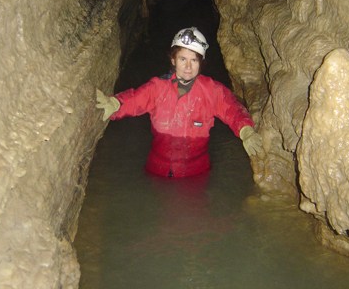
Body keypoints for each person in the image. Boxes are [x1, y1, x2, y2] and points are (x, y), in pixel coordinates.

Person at [96, 27, 263, 178]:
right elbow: (135, 99)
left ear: (201, 63)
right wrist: (116, 104)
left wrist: (245, 130)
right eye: (183, 59)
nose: (188, 67)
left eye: (194, 60)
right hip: (157, 172)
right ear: (173, 60)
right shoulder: (158, 87)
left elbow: (232, 109)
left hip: (195, 176)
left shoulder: (212, 91)